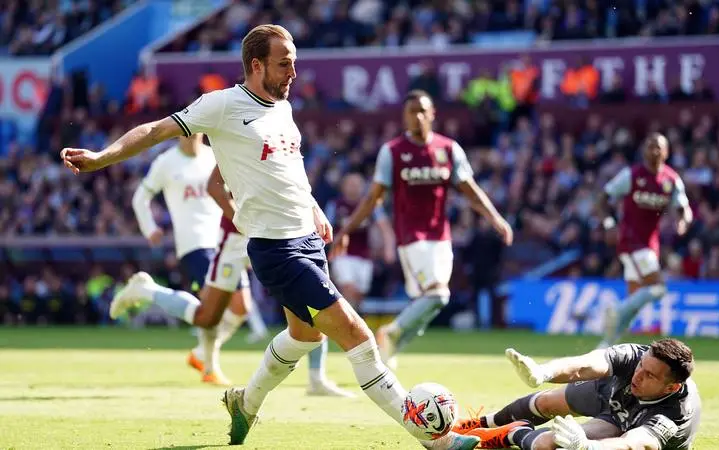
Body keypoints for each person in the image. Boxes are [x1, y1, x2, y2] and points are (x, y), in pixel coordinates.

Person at [60, 24, 479, 450]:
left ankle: (245, 403)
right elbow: (155, 130)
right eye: (284, 64)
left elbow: (290, 170)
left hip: (307, 241)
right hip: (277, 250)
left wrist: (314, 209)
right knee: (356, 334)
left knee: (306, 336)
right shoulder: (222, 105)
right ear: (257, 65)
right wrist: (102, 157)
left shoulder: (283, 108)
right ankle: (430, 437)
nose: (293, 72)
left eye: (294, 63)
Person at [332, 89, 513, 369]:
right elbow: (372, 199)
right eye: (411, 111)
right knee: (438, 295)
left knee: (435, 301)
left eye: (422, 111)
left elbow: (470, 190)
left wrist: (495, 218)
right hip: (411, 238)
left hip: (441, 237)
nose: (417, 116)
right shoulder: (392, 152)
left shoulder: (448, 149)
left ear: (432, 114)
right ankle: (391, 332)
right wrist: (345, 231)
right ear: (404, 117)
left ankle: (389, 349)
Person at [130, 133, 256, 385]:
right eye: (186, 130)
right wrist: (150, 228)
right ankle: (210, 368)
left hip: (224, 241)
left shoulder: (214, 155)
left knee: (241, 307)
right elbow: (140, 197)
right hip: (194, 244)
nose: (191, 136)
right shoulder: (166, 162)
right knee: (212, 308)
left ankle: (199, 352)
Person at [454, 339, 701, 450]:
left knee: (552, 443)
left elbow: (632, 444)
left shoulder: (674, 415)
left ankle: (510, 434)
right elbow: (587, 364)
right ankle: (478, 424)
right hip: (615, 396)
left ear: (671, 387)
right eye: (641, 366)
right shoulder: (636, 356)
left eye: (650, 375)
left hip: (626, 427)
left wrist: (586, 447)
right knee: (547, 401)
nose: (638, 374)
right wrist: (543, 372)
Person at [596, 133, 693, 348]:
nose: (655, 151)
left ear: (667, 152)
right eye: (650, 146)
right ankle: (616, 311)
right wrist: (609, 224)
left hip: (651, 244)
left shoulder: (671, 180)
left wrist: (683, 222)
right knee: (659, 288)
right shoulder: (631, 175)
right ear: (644, 151)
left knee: (635, 301)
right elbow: (602, 199)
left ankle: (606, 344)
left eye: (659, 147)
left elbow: (684, 209)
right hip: (630, 240)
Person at [325, 172, 395, 311]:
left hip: (364, 257)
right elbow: (325, 229)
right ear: (343, 187)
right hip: (342, 255)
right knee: (348, 289)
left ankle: (351, 320)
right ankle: (348, 322)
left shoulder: (371, 205)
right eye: (351, 184)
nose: (354, 188)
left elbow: (385, 227)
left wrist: (389, 248)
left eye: (357, 185)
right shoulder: (335, 205)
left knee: (359, 297)